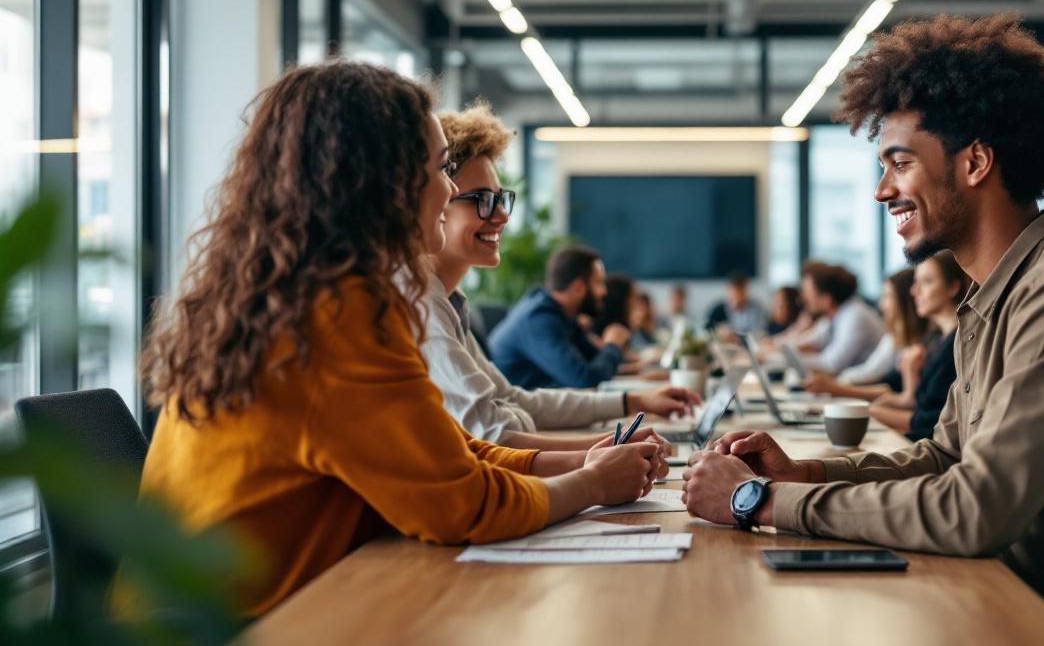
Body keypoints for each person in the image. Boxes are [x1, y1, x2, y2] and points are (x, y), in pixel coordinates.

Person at [681, 15, 1044, 633]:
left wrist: (762, 501)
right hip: (1015, 602)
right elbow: (944, 456)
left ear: (976, 162)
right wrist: (806, 473)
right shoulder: (994, 298)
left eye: (899, 163)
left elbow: (975, 510)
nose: (883, 190)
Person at [133, 62, 663, 616]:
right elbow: (465, 507)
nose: (452, 187)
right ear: (380, 184)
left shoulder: (292, 301)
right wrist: (591, 484)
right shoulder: (341, 318)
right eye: (440, 169)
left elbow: (446, 454)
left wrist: (578, 465)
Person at [411, 105, 699, 447]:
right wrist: (610, 447)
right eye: (483, 200)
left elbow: (515, 402)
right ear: (435, 197)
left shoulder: (450, 301)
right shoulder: (422, 301)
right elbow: (496, 431)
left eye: (501, 199)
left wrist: (632, 403)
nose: (502, 216)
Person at [489, 245, 631, 389]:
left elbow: (592, 360)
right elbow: (585, 380)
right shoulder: (539, 319)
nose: (604, 292)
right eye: (599, 283)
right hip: (519, 408)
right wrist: (612, 345)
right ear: (578, 287)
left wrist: (615, 352)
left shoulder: (562, 314)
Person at [866, 254, 967, 441]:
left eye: (926, 282)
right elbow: (917, 401)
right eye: (916, 282)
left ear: (953, 287)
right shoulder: (934, 338)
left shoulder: (958, 343)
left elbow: (930, 421)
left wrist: (870, 411)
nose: (914, 291)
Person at [795, 263, 885, 374]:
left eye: (808, 294)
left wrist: (786, 361)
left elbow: (832, 365)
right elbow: (812, 343)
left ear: (826, 299)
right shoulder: (832, 316)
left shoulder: (855, 316)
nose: (802, 298)